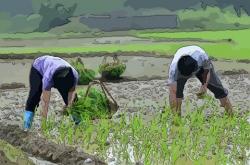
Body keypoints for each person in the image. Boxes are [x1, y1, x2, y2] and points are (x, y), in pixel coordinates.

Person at [168, 45, 233, 116]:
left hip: (200, 65)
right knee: (176, 92)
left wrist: (204, 86)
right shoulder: (174, 70)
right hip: (182, 68)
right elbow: (173, 91)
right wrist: (177, 113)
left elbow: (207, 71)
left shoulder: (201, 56)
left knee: (218, 89)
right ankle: (176, 118)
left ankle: (231, 114)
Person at [23, 55, 79, 130]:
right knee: (34, 96)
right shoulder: (48, 77)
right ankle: (26, 126)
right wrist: (44, 125)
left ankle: (79, 123)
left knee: (74, 100)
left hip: (59, 70)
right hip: (38, 67)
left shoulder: (74, 75)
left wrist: (69, 105)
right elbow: (45, 103)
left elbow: (71, 92)